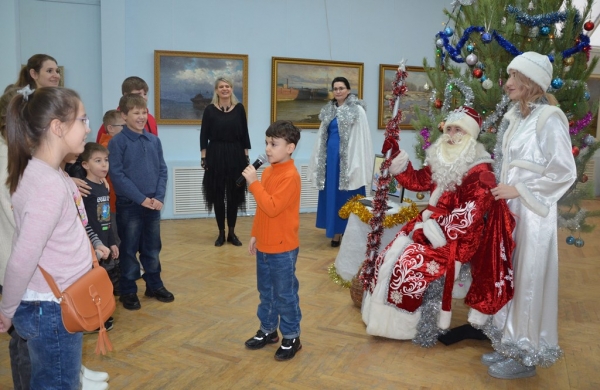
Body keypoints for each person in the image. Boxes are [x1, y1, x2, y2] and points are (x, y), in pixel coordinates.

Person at [361, 106, 515, 346]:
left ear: (471, 135)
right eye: (450, 129)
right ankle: (379, 317)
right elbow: (417, 180)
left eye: (459, 130)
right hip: (428, 225)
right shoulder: (442, 158)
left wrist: (434, 232)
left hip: (456, 237)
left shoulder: (481, 170)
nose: (451, 135)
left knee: (409, 264)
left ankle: (405, 326)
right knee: (387, 256)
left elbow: (469, 214)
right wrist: (396, 157)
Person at [478, 51, 577, 379]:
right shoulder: (518, 118)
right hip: (512, 214)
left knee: (530, 280)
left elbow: (564, 170)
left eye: (513, 78)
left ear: (530, 81)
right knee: (512, 276)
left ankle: (526, 356)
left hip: (533, 216)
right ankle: (509, 344)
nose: (506, 84)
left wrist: (520, 190)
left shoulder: (550, 118)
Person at [0, 86, 95, 388]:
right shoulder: (48, 184)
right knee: (58, 383)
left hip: (55, 303)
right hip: (52, 309)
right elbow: (22, 258)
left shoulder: (48, 174)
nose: (88, 128)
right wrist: (7, 309)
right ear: (58, 127)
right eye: (83, 119)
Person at [242, 120, 303, 361]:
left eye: (274, 144)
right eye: (267, 143)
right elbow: (262, 210)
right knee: (266, 291)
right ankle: (268, 329)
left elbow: (273, 207)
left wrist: (253, 183)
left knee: (285, 294)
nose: (267, 149)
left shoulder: (290, 176)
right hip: (265, 245)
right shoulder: (268, 171)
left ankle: (292, 336)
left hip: (283, 248)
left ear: (290, 148)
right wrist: (256, 234)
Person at [108, 93, 173, 311]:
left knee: (152, 247)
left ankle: (154, 285)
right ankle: (128, 290)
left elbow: (162, 170)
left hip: (153, 205)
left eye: (144, 112)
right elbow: (117, 176)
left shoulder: (154, 140)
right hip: (130, 206)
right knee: (128, 249)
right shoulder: (118, 142)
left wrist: (159, 197)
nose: (141, 116)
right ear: (124, 115)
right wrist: (141, 199)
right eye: (136, 112)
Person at [307, 76, 374, 247]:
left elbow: (362, 138)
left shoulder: (357, 110)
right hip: (330, 158)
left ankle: (352, 231)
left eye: (341, 88)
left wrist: (357, 161)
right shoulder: (329, 110)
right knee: (333, 195)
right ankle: (335, 232)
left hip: (349, 159)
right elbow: (323, 135)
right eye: (335, 88)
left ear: (348, 90)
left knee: (348, 195)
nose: (338, 91)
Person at [200, 77, 251, 247]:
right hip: (215, 155)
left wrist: (246, 157)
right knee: (218, 196)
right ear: (216, 90)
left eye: (227, 86)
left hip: (236, 155)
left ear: (231, 89)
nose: (224, 89)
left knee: (234, 196)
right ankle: (221, 233)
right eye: (221, 86)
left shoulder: (239, 109)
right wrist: (203, 157)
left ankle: (232, 233)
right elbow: (204, 136)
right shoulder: (209, 110)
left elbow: (245, 134)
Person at [80, 142, 120, 298]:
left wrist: (111, 241)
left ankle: (104, 310)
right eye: (98, 161)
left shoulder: (104, 186)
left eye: (106, 160)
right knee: (91, 280)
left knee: (106, 277)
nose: (104, 165)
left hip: (105, 241)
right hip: (91, 244)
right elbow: (83, 222)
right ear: (85, 164)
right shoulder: (84, 189)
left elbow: (106, 217)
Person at [96, 76, 158, 142]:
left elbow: (154, 144)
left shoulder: (150, 119)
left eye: (145, 94)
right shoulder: (113, 120)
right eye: (138, 94)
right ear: (126, 95)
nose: (143, 97)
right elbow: (100, 149)